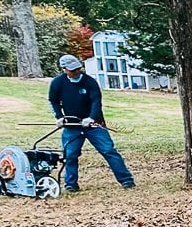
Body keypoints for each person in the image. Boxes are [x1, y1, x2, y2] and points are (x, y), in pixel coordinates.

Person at [48, 53, 135, 192]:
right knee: (70, 155)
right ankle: (71, 184)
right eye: (72, 70)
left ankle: (126, 180)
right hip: (72, 126)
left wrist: (91, 118)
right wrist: (59, 117)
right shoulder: (57, 83)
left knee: (108, 150)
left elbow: (96, 101)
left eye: (77, 69)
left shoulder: (90, 82)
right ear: (64, 69)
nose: (76, 72)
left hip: (95, 125)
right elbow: (53, 101)